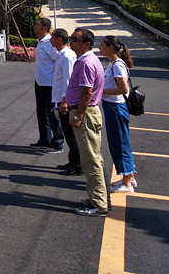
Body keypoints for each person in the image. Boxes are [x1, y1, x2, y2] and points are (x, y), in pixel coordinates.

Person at [59, 28, 107, 217]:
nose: (71, 42)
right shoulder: (87, 60)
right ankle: (100, 198)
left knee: (90, 159)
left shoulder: (86, 63)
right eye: (71, 38)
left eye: (75, 39)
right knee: (93, 157)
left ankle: (99, 204)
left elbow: (87, 93)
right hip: (87, 112)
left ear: (87, 43)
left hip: (86, 114)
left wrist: (78, 115)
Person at [99, 35, 138, 192]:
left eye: (102, 46)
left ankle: (127, 182)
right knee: (119, 142)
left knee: (120, 143)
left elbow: (123, 88)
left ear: (110, 48)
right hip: (112, 106)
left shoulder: (117, 65)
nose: (99, 48)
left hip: (116, 107)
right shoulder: (113, 64)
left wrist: (101, 91)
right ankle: (129, 177)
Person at [51, 28, 81, 175]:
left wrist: (65, 101)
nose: (50, 39)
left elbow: (68, 81)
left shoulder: (67, 56)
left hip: (66, 101)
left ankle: (77, 165)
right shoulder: (61, 55)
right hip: (61, 99)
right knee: (68, 134)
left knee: (71, 134)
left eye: (52, 37)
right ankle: (72, 161)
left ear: (59, 39)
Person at [31, 17, 63, 152]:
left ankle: (58, 143)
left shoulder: (50, 43)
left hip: (50, 84)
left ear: (45, 27)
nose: (35, 26)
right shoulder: (40, 42)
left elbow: (57, 61)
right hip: (40, 82)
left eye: (37, 24)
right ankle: (44, 140)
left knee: (53, 115)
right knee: (41, 114)